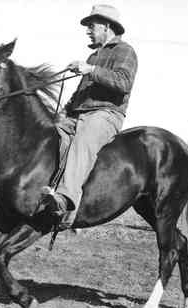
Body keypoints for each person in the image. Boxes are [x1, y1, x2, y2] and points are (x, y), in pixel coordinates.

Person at [41, 4, 138, 226]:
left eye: (91, 26)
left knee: (83, 140)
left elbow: (124, 83)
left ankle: (65, 202)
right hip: (79, 114)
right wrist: (63, 113)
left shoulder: (125, 51)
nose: (88, 31)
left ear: (106, 26)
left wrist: (91, 70)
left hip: (106, 114)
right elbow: (81, 93)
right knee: (49, 135)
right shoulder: (93, 56)